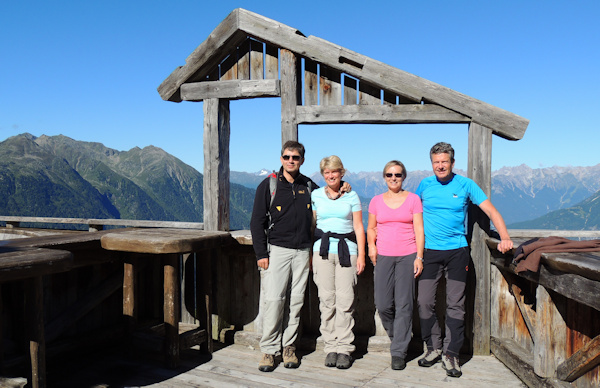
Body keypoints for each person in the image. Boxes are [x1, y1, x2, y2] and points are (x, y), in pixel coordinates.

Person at [415, 142, 513, 378]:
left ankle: (451, 354)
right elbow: (410, 213)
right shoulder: (424, 185)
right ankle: (433, 347)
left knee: (455, 304)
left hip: (458, 252)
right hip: (429, 252)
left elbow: (492, 211)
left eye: (444, 161)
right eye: (436, 162)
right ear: (432, 164)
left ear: (452, 163)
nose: (440, 165)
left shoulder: (466, 184)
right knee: (424, 302)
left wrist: (506, 237)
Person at [250, 141, 350, 372]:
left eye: (295, 157)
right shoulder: (269, 185)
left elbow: (329, 195)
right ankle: (268, 350)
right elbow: (257, 221)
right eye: (286, 157)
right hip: (278, 250)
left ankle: (289, 348)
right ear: (281, 158)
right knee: (273, 300)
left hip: (304, 251)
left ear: (302, 160)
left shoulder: (309, 185)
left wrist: (344, 186)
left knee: (295, 302)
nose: (290, 161)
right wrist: (261, 253)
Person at [367, 160, 424, 371]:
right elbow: (371, 228)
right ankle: (399, 337)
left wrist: (419, 257)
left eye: (398, 175)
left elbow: (419, 229)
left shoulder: (413, 200)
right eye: (390, 175)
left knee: (404, 304)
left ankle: (398, 351)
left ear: (403, 177)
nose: (393, 178)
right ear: (384, 177)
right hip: (383, 255)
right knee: (382, 304)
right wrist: (371, 247)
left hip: (407, 255)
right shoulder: (375, 201)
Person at [311, 155, 365, 369]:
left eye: (334, 171)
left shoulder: (352, 196)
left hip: (347, 250)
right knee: (326, 301)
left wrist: (361, 254)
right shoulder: (315, 195)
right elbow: (312, 224)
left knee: (345, 301)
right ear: (323, 174)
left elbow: (359, 226)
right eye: (327, 172)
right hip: (321, 250)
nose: (330, 175)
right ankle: (330, 347)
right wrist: (309, 255)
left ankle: (344, 348)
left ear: (342, 172)